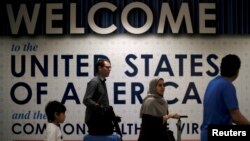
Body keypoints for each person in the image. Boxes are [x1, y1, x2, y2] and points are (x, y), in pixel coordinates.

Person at [200, 54, 250, 141]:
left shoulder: (212, 83)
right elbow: (236, 117)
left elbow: (229, 115)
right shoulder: (227, 86)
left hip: (206, 134)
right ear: (237, 71)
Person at [83, 59, 121, 136]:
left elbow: (103, 103)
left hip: (101, 118)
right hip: (94, 119)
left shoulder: (102, 82)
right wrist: (98, 106)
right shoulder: (95, 82)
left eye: (110, 67)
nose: (109, 69)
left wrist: (111, 115)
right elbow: (86, 100)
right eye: (107, 67)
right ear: (99, 68)